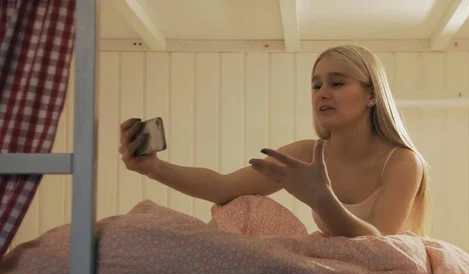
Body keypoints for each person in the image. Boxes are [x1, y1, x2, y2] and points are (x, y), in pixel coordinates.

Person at [119, 45, 431, 238]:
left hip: (389, 267)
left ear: (372, 94)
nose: (322, 92)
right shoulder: (308, 153)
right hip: (337, 263)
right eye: (316, 84)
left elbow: (377, 242)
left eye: (337, 83)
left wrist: (321, 198)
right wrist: (153, 167)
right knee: (246, 206)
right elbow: (222, 187)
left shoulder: (401, 161)